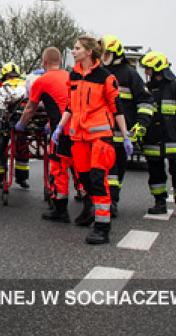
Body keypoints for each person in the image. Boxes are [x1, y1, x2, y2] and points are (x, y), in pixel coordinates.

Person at [53, 36, 133, 244]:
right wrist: (60, 127)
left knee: (98, 180)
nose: (73, 51)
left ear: (89, 52)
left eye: (77, 48)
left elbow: (117, 109)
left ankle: (102, 227)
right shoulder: (73, 76)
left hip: (100, 137)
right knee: (86, 181)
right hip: (78, 138)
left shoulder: (106, 78)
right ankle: (91, 211)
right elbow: (71, 106)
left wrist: (125, 135)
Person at [132, 51, 176, 217]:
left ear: (158, 69)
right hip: (152, 139)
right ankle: (159, 202)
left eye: (148, 69)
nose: (146, 72)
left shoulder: (175, 87)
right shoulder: (146, 89)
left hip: (173, 139)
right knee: (155, 172)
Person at [99, 35, 154, 218]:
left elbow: (145, 102)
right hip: (99, 132)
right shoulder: (98, 72)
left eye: (107, 53)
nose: (103, 56)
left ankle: (112, 201)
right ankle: (101, 200)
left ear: (116, 54)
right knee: (101, 169)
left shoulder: (130, 74)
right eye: (102, 53)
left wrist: (141, 125)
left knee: (116, 171)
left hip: (120, 134)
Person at [15, 47, 71, 222]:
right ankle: (88, 208)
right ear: (61, 61)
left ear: (44, 62)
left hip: (60, 131)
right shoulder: (70, 77)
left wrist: (21, 124)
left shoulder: (41, 81)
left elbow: (31, 107)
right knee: (80, 169)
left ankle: (61, 210)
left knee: (59, 169)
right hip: (78, 128)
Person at [0, 62, 30, 188]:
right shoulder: (25, 86)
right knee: (6, 150)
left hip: (12, 123)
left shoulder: (5, 87)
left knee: (9, 150)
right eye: (10, 76)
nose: (12, 79)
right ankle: (8, 178)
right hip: (16, 123)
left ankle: (13, 178)